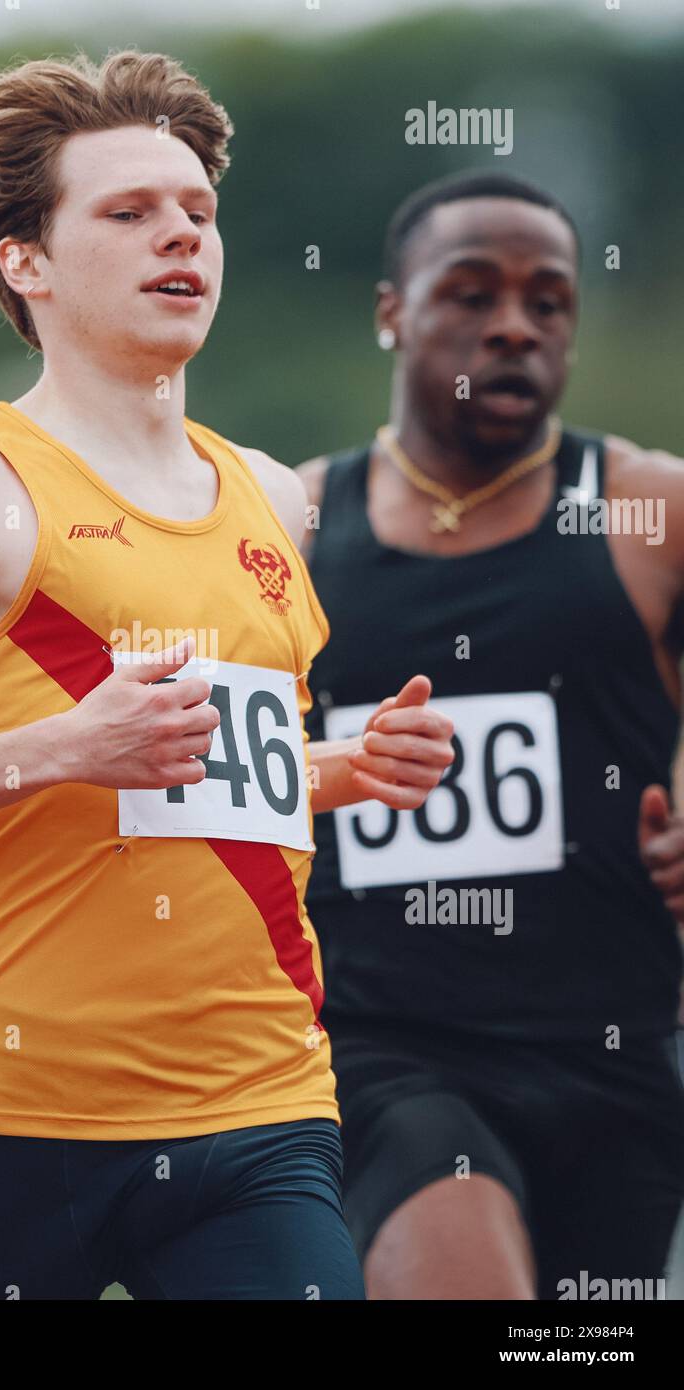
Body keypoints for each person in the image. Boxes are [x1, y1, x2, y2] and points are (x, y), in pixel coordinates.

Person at [0, 50, 454, 1300]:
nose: (178, 234)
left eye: (196, 211)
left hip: (260, 1106)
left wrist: (339, 772)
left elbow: (190, 779)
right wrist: (64, 747)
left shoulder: (271, 496)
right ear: (25, 262)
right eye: (126, 213)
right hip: (15, 1123)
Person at [297, 171, 684, 1301]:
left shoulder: (644, 514)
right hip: (381, 1045)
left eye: (547, 301)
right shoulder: (295, 528)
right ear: (389, 312)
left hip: (610, 1050)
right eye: (470, 294)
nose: (512, 324)